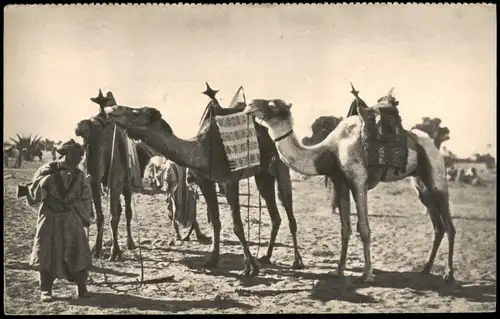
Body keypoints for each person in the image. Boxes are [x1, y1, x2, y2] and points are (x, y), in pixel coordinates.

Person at [20, 139, 93, 302]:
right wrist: (46, 198)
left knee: (79, 252)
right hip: (50, 217)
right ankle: (46, 290)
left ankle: (82, 288)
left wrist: (76, 207)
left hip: (72, 218)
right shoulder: (47, 169)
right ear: (67, 153)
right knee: (47, 252)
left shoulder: (80, 175)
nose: (80, 157)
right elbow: (32, 192)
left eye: (81, 154)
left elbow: (86, 197)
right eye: (76, 154)